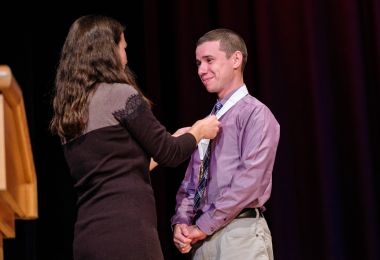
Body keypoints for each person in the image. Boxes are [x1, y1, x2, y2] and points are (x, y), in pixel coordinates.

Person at [50, 15, 221, 260]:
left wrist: (175, 138)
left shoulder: (70, 112)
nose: (126, 56)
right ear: (107, 51)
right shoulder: (120, 94)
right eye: (123, 48)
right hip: (127, 234)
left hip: (88, 238)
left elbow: (117, 170)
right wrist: (199, 131)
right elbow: (169, 153)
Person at [171, 28, 280, 259]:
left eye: (209, 60)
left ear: (236, 59)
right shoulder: (207, 123)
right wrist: (181, 222)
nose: (201, 70)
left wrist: (202, 225)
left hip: (239, 235)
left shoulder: (256, 114)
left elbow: (249, 181)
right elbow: (192, 182)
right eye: (198, 63)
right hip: (202, 240)